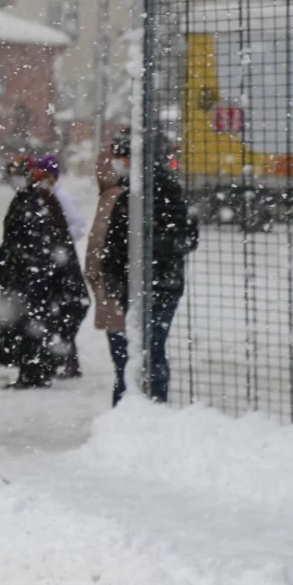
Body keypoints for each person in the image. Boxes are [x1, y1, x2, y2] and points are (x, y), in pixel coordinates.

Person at [99, 134, 198, 404]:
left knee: (138, 352)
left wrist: (140, 257)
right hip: (150, 283)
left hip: (148, 285)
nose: (117, 162)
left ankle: (138, 407)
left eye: (121, 157)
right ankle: (145, 405)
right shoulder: (140, 189)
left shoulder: (147, 191)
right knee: (146, 350)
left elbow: (184, 238)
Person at [0, 154, 89, 388]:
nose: (12, 180)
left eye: (15, 175)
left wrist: (26, 272)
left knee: (33, 323)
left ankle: (34, 372)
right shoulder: (35, 198)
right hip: (34, 276)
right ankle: (39, 368)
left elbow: (36, 244)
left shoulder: (35, 201)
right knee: (37, 323)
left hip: (33, 278)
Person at [84, 135, 131, 398]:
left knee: (125, 363)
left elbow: (103, 246)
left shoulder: (118, 198)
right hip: (113, 290)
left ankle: (126, 408)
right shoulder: (112, 195)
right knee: (123, 362)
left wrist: (103, 281)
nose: (99, 167)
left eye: (105, 160)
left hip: (117, 291)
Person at [40, 153, 88, 377]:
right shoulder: (49, 195)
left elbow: (77, 226)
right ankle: (65, 360)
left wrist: (60, 243)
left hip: (62, 260)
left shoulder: (61, 198)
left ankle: (68, 361)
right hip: (57, 259)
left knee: (64, 311)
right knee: (60, 312)